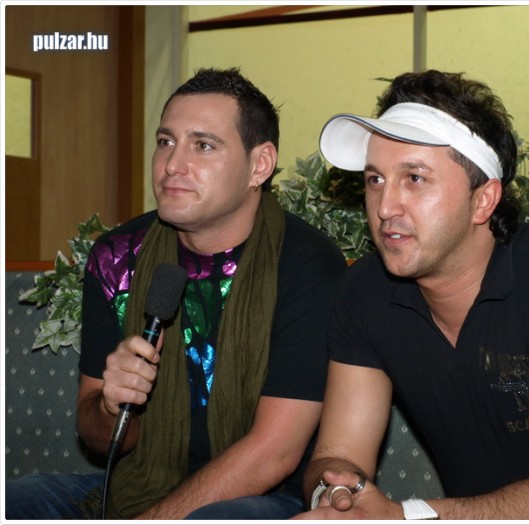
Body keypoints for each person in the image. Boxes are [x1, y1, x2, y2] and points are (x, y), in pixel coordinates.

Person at [293, 70, 529, 520]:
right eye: (375, 179)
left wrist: (405, 516)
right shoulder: (365, 291)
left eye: (414, 178)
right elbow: (340, 452)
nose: (385, 207)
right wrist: (336, 496)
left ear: (483, 200)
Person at [5, 67, 346, 520]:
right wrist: (111, 406)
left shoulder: (305, 264)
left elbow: (274, 453)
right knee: (15, 501)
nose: (172, 165)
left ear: (259, 165)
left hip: (265, 496)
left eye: (202, 146)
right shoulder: (118, 257)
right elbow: (100, 438)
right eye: (166, 142)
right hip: (139, 482)